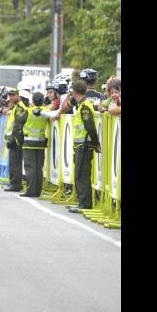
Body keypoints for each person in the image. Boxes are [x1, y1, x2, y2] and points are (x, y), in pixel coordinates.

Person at [64, 80, 102, 213]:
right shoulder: (82, 105)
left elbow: (90, 127)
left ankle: (84, 204)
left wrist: (96, 143)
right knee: (80, 174)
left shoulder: (85, 106)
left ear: (74, 93)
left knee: (82, 175)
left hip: (84, 145)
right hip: (81, 145)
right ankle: (83, 202)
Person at [21, 92, 49, 197]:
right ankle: (38, 191)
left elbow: (19, 121)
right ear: (42, 100)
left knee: (30, 167)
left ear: (33, 100)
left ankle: (31, 191)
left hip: (29, 142)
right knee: (38, 168)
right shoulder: (46, 111)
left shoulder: (28, 111)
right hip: (41, 143)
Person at [3, 87, 27, 192]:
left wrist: (13, 139)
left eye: (13, 95)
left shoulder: (19, 108)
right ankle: (14, 183)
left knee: (15, 162)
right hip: (14, 137)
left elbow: (17, 124)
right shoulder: (16, 107)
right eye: (9, 95)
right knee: (13, 162)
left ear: (18, 95)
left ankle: (16, 184)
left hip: (16, 138)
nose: (11, 97)